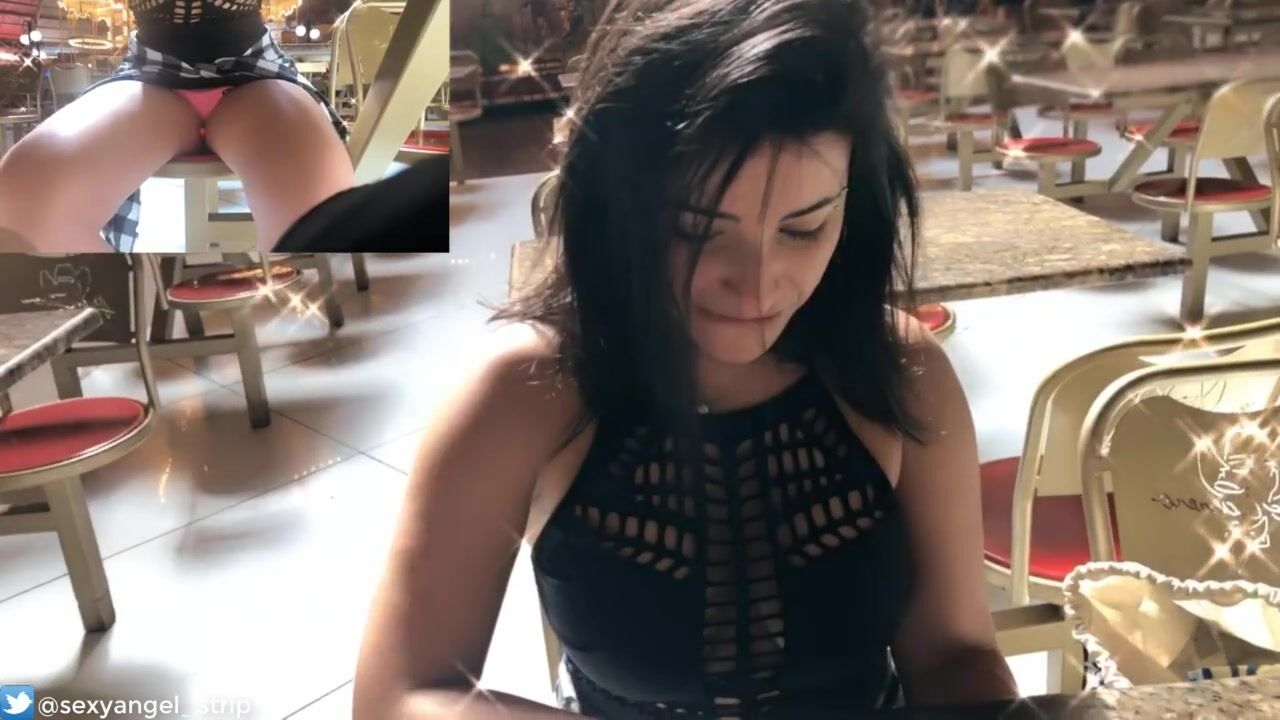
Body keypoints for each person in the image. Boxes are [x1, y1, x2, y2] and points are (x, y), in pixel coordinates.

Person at [353, 0, 1019, 717]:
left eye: (803, 229)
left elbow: (952, 653)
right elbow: (402, 694)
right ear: (620, 203)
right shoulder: (529, 391)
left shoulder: (899, 373)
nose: (757, 285)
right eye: (700, 229)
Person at [0, 0, 352, 253]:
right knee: (20, 199)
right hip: (148, 74)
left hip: (257, 70)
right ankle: (142, 314)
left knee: (320, 218)